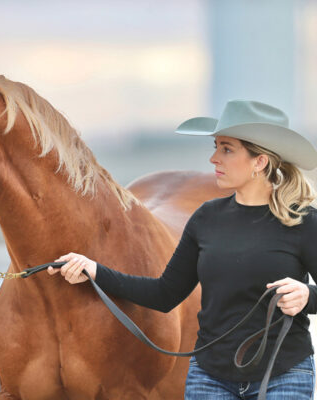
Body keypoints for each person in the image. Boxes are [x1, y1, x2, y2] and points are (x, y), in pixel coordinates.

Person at [48, 99, 317, 399]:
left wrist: (308, 296)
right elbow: (165, 294)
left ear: (260, 162)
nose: (214, 158)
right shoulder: (206, 218)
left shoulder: (302, 222)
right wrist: (95, 271)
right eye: (215, 147)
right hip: (210, 379)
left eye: (227, 149)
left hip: (283, 375)